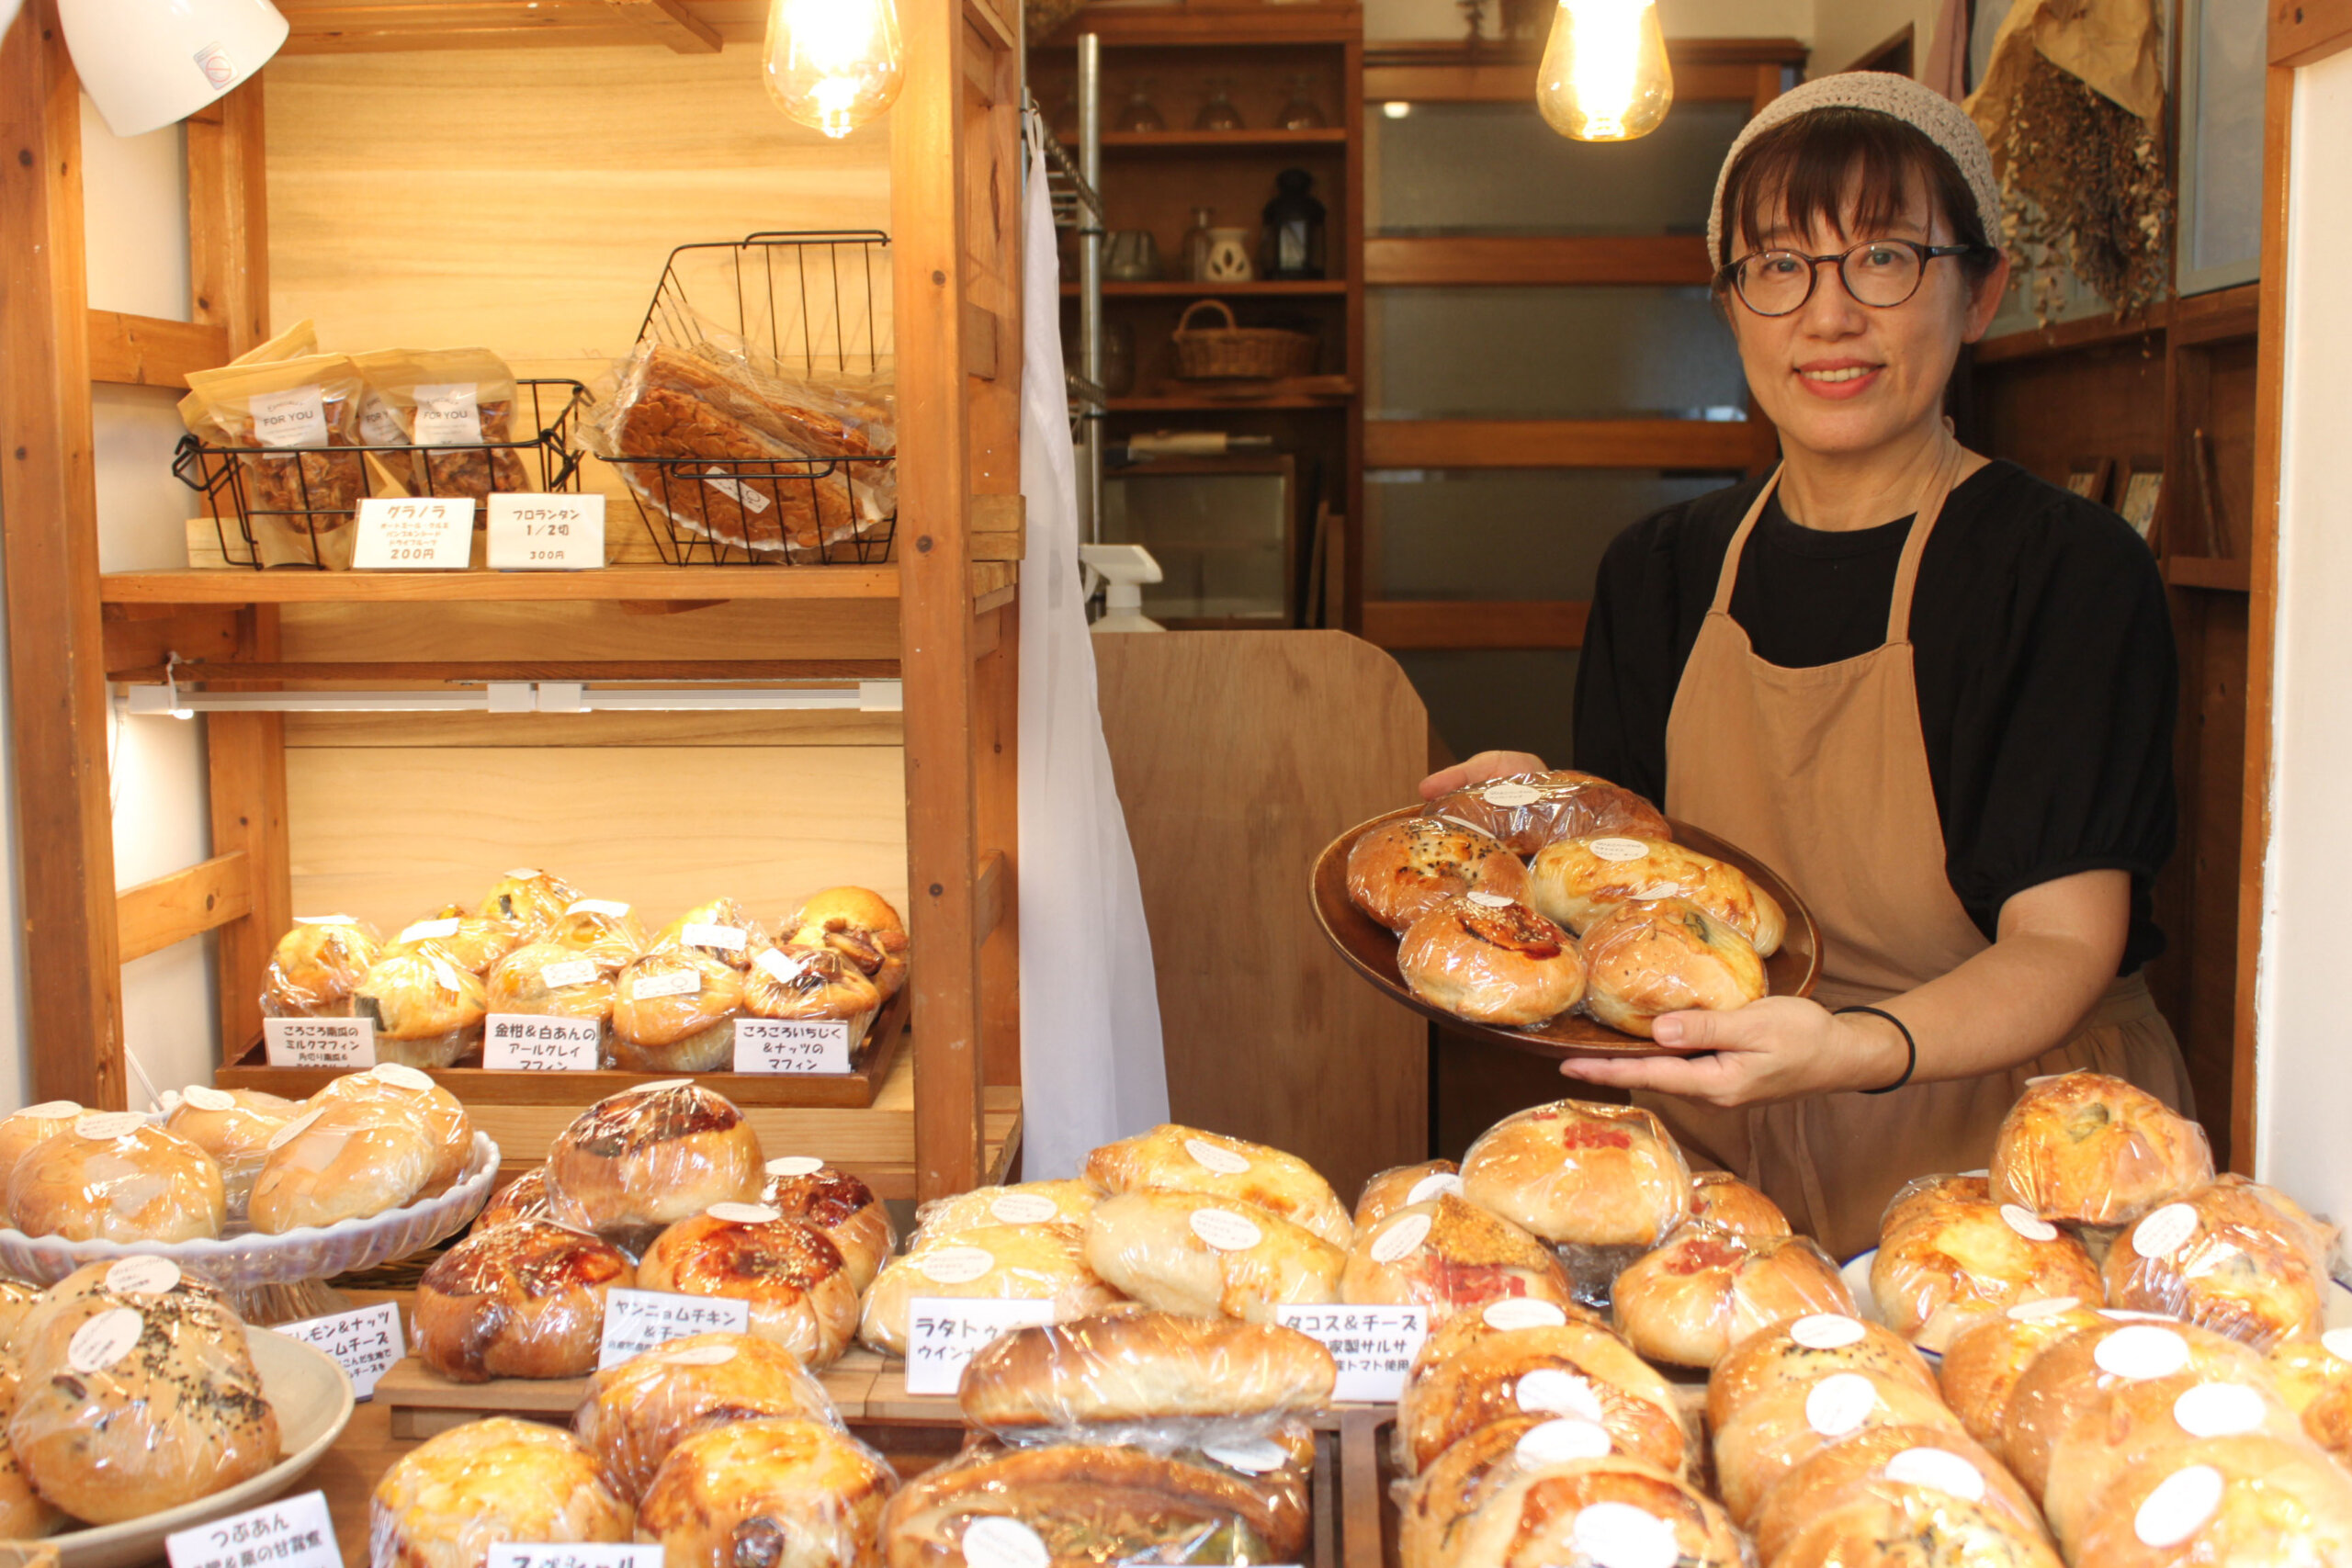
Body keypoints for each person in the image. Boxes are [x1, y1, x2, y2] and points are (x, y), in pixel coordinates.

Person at [1419, 73, 2191, 1259]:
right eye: (1778, 268)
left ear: (1980, 292)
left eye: (1884, 258)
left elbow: (2062, 946)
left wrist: (1851, 1046)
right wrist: (1545, 826)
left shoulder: (2068, 571)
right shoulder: (1660, 573)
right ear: (1731, 308)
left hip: (2012, 1165)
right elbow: (1642, 898)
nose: (1828, 317)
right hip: (1726, 1155)